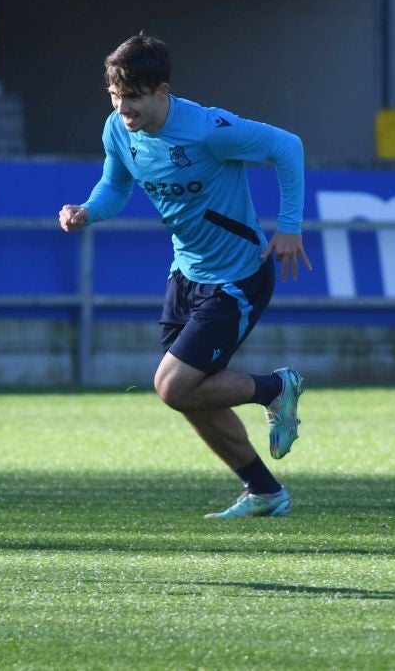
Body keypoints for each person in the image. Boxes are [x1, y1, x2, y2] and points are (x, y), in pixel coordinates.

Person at [58, 33, 311, 520]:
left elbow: (288, 147)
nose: (122, 107)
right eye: (115, 95)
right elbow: (115, 185)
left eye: (132, 96)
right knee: (191, 395)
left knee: (173, 386)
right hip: (186, 275)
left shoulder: (208, 130)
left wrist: (290, 227)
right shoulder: (118, 129)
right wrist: (88, 211)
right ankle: (264, 491)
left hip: (238, 276)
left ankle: (275, 389)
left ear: (162, 91)